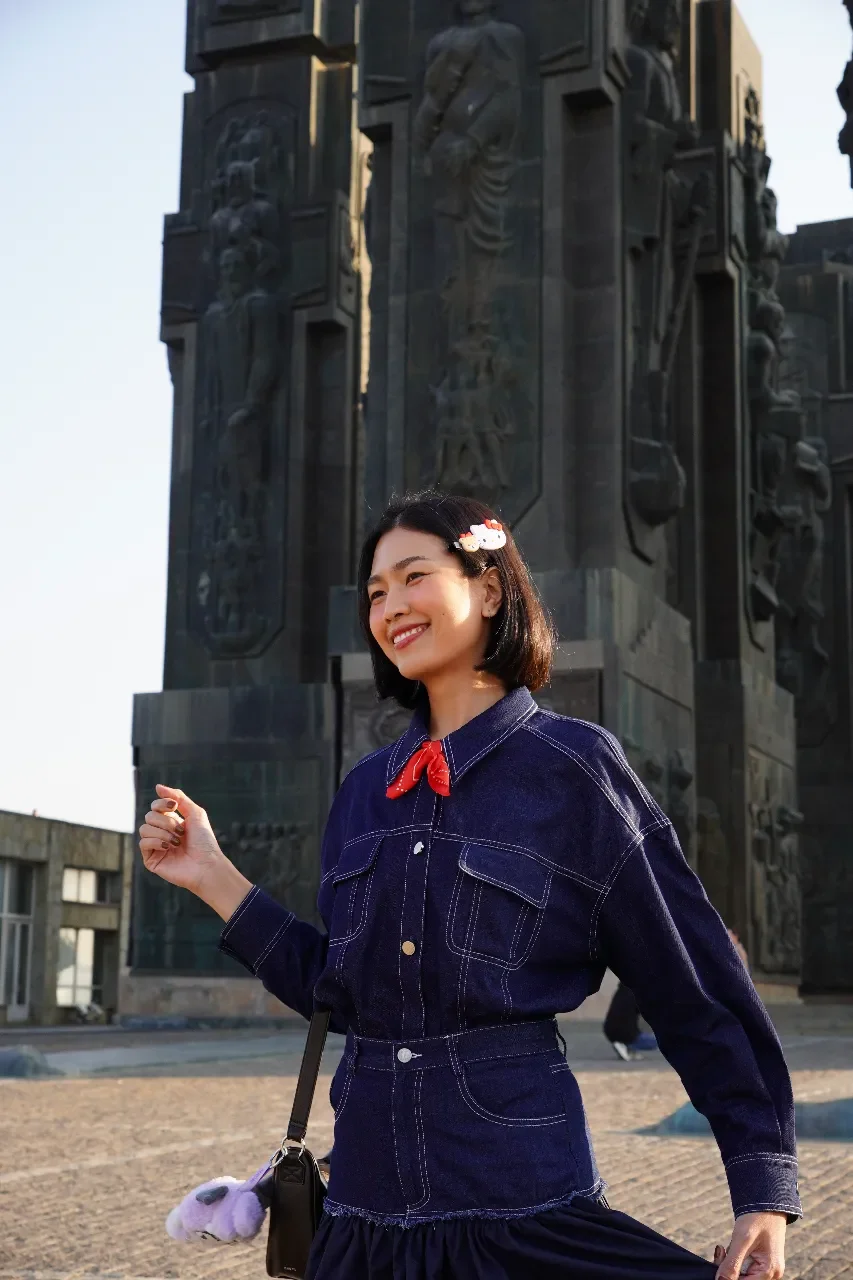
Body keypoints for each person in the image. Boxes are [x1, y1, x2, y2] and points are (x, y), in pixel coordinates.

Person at [139, 492, 799, 1280]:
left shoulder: (574, 770)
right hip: (362, 1219)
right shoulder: (363, 791)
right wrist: (212, 876)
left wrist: (761, 1187)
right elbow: (340, 992)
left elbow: (692, 982)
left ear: (487, 590)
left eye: (414, 577)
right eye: (376, 593)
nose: (390, 607)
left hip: (521, 1210)